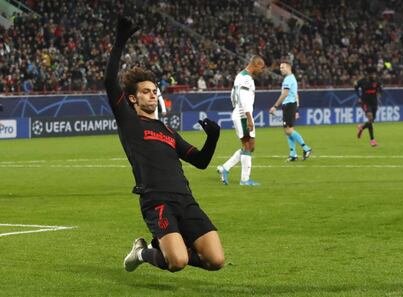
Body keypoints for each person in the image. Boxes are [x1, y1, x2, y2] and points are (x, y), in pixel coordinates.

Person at [104, 17, 224, 273]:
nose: (153, 94)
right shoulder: (129, 122)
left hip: (185, 199)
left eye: (155, 90)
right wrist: (120, 40)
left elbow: (201, 162)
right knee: (177, 262)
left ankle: (162, 245)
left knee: (216, 261)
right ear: (133, 98)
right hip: (156, 199)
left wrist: (213, 138)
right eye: (146, 91)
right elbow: (109, 83)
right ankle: (144, 253)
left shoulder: (168, 130)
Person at [217, 56, 265, 186]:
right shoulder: (247, 79)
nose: (262, 71)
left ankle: (225, 168)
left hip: (241, 113)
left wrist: (235, 106)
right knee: (248, 146)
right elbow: (244, 99)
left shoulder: (240, 76)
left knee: (250, 146)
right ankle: (244, 180)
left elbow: (233, 94)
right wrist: (249, 118)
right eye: (262, 67)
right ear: (255, 64)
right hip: (243, 115)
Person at [269, 60, 312, 161]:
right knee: (287, 131)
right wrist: (296, 109)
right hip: (290, 105)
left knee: (288, 130)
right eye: (280, 68)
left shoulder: (288, 79)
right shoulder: (292, 79)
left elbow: (284, 94)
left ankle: (306, 148)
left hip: (289, 105)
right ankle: (293, 154)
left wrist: (275, 106)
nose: (281, 69)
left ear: (288, 67)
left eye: (282, 67)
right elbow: (296, 94)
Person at [355, 67, 382, 146]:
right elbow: (356, 88)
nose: (374, 75)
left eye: (374, 74)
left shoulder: (376, 81)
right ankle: (372, 140)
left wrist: (379, 93)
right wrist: (359, 97)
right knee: (370, 118)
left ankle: (362, 127)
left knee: (372, 120)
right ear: (369, 74)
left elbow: (380, 89)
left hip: (374, 103)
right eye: (372, 74)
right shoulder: (362, 81)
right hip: (365, 102)